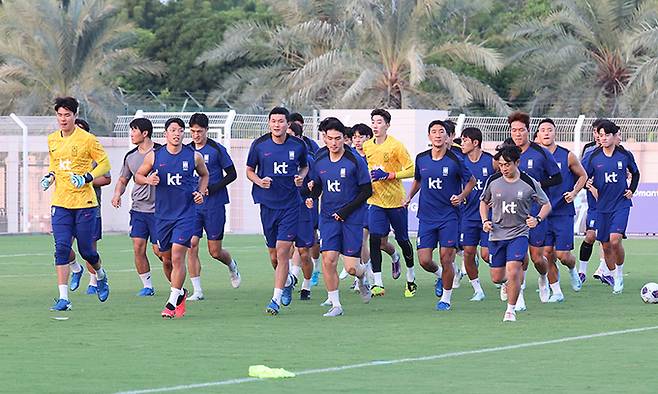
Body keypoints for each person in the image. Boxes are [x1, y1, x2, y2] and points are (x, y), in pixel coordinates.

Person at [40, 97, 111, 311]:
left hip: (85, 203)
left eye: (67, 115)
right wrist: (49, 177)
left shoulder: (88, 139)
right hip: (60, 203)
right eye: (60, 115)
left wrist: (87, 177)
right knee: (61, 248)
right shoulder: (52, 139)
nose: (63, 119)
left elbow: (105, 163)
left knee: (87, 250)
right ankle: (64, 298)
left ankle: (100, 274)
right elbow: (55, 165)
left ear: (75, 115)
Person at [134, 117, 209, 318]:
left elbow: (205, 175)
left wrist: (200, 193)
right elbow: (138, 176)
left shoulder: (193, 156)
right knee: (165, 258)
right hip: (162, 216)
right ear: (166, 134)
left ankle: (170, 302)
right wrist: (148, 179)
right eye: (173, 130)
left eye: (180, 130)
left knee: (177, 256)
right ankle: (180, 293)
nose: (177, 134)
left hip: (186, 215)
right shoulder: (154, 156)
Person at [405, 120, 475, 311]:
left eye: (441, 132)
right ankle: (439, 275)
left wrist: (461, 197)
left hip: (449, 217)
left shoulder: (455, 160)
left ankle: (446, 299)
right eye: (434, 132)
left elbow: (471, 181)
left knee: (447, 258)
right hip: (427, 216)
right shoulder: (421, 159)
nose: (437, 135)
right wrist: (409, 196)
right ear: (429, 136)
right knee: (424, 260)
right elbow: (419, 180)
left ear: (447, 137)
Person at [308, 117, 373, 316]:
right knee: (328, 259)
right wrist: (311, 195)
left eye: (338, 138)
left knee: (352, 268)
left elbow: (366, 191)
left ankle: (362, 278)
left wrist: (345, 211)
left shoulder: (355, 160)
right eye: (330, 138)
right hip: (328, 216)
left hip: (352, 217)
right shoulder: (319, 159)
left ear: (345, 139)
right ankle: (336, 304)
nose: (334, 143)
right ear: (324, 138)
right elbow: (318, 184)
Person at [246, 107, 309, 315]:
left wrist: (300, 177)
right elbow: (249, 171)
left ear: (287, 124)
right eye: (273, 121)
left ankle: (275, 300)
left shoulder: (298, 145)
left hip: (291, 205)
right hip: (267, 205)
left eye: (281, 121)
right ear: (269, 123)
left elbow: (304, 167)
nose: (277, 125)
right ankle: (289, 280)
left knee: (283, 252)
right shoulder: (259, 145)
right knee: (274, 256)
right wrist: (259, 181)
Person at [480, 144, 551, 322]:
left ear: (517, 163)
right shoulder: (493, 181)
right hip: (496, 234)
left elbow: (546, 204)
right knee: (497, 278)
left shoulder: (529, 182)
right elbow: (483, 202)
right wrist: (485, 221)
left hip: (519, 233)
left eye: (507, 164)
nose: (504, 168)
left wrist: (537, 219)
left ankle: (510, 310)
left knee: (513, 271)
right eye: (501, 164)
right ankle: (509, 283)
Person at [507, 111, 561, 310]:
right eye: (514, 130)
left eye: (521, 130)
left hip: (536, 212)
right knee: (518, 257)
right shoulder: (507, 151)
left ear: (528, 131)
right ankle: (518, 296)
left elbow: (557, 178)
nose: (518, 134)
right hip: (513, 213)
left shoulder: (540, 152)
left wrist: (537, 184)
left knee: (538, 258)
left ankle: (543, 277)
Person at [186, 113, 240, 301]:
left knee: (215, 251)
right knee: (191, 244)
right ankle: (198, 290)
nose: (195, 135)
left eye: (199, 131)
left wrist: (213, 188)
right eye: (192, 131)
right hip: (192, 207)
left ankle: (231, 264)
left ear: (206, 130)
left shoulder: (217, 149)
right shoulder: (186, 151)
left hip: (214, 204)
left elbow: (232, 174)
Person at [363, 109, 416, 297]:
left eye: (379, 122)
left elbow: (411, 170)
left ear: (387, 125)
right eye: (373, 122)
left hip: (396, 201)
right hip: (376, 200)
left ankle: (411, 277)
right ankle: (377, 283)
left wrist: (389, 175)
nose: (375, 125)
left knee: (402, 240)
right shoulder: (367, 146)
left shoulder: (396, 146)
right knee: (375, 238)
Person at [582, 120, 640, 294]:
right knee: (606, 245)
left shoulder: (625, 155)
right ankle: (613, 275)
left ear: (615, 136)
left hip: (621, 204)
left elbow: (635, 173)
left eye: (607, 135)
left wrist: (632, 190)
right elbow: (582, 175)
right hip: (601, 207)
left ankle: (620, 275)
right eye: (600, 135)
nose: (603, 138)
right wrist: (587, 183)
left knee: (615, 240)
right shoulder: (592, 157)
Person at [343, 123, 399, 293]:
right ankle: (363, 276)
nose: (357, 140)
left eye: (361, 137)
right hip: (360, 202)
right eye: (355, 137)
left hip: (378, 201)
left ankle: (394, 255)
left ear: (369, 138)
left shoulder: (375, 153)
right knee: (360, 240)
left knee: (381, 243)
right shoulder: (350, 156)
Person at [111, 117, 162, 296]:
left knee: (160, 251)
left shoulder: (162, 152)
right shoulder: (130, 156)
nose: (131, 134)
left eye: (134, 130)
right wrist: (117, 194)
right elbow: (123, 179)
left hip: (160, 211)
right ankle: (147, 286)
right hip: (138, 210)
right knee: (138, 247)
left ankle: (176, 277)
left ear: (145, 133)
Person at [537, 118, 586, 301]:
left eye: (549, 129)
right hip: (543, 212)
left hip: (563, 212)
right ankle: (556, 291)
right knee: (547, 253)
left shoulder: (567, 155)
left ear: (555, 132)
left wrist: (574, 192)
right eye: (543, 130)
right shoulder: (534, 157)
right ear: (538, 134)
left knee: (563, 255)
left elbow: (583, 176)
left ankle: (573, 269)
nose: (546, 133)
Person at [66, 118, 112, 295]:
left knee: (88, 248)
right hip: (67, 206)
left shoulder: (94, 151)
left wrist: (87, 181)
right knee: (63, 246)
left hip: (90, 206)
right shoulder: (64, 152)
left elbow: (106, 178)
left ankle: (95, 281)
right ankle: (75, 268)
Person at [460, 127, 495, 301]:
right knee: (468, 252)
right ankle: (477, 289)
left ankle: (503, 280)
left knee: (486, 254)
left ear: (475, 143)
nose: (462, 143)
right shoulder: (460, 161)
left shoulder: (491, 161)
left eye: (465, 140)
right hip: (467, 215)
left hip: (489, 217)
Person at [286, 122, 315, 300]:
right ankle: (289, 280)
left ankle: (306, 284)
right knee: (280, 251)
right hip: (282, 208)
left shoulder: (309, 160)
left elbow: (317, 183)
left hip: (303, 208)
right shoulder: (275, 155)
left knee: (304, 251)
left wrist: (311, 192)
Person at [578, 118, 609, 284]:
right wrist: (586, 184)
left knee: (607, 237)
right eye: (597, 132)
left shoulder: (617, 150)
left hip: (610, 201)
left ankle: (604, 270)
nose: (599, 136)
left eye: (602, 133)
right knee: (590, 236)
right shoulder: (588, 150)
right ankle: (581, 271)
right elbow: (582, 172)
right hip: (594, 201)